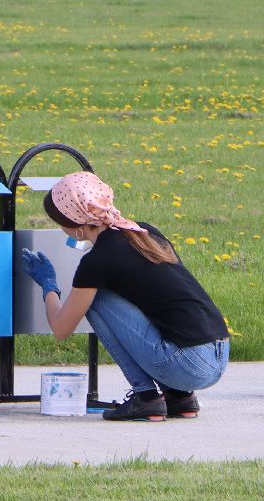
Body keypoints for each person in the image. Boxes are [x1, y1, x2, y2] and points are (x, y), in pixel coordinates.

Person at [20, 171, 229, 421]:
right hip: (219, 354)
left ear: (75, 224)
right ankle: (179, 397)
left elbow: (61, 328)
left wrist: (48, 285)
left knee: (95, 299)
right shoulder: (143, 232)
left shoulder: (97, 261)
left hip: (187, 364)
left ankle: (146, 398)